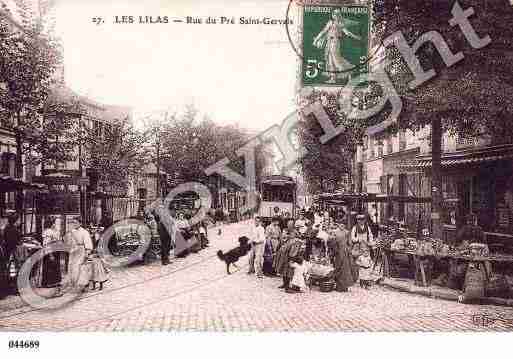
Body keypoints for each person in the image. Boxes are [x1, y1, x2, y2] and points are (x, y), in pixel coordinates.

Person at [66, 217, 94, 292]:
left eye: (76, 222)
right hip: (73, 251)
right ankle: (75, 284)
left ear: (80, 223)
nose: (74, 224)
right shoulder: (71, 232)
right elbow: (69, 242)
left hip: (81, 251)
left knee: (80, 268)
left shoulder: (84, 232)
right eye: (73, 223)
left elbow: (88, 243)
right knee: (72, 267)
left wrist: (87, 252)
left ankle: (84, 284)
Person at [274, 220, 302, 292]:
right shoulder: (286, 232)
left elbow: (297, 240)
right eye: (288, 224)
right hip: (284, 253)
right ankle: (285, 285)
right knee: (284, 269)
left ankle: (286, 286)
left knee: (287, 270)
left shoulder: (294, 234)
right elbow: (281, 241)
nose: (289, 225)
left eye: (290, 224)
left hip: (287, 253)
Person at [332, 225, 356, 292]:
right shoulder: (335, 232)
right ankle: (339, 286)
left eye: (343, 224)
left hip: (345, 253)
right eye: (340, 224)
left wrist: (348, 249)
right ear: (338, 224)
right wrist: (336, 250)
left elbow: (350, 243)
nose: (342, 226)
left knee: (345, 269)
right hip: (338, 253)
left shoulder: (347, 232)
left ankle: (345, 286)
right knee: (338, 268)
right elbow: (333, 243)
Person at [41, 217, 62, 289]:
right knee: (49, 266)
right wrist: (50, 254)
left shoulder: (52, 231)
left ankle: (55, 282)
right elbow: (46, 244)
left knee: (54, 266)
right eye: (55, 223)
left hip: (55, 251)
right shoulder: (48, 232)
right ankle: (48, 283)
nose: (55, 224)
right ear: (51, 223)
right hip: (51, 251)